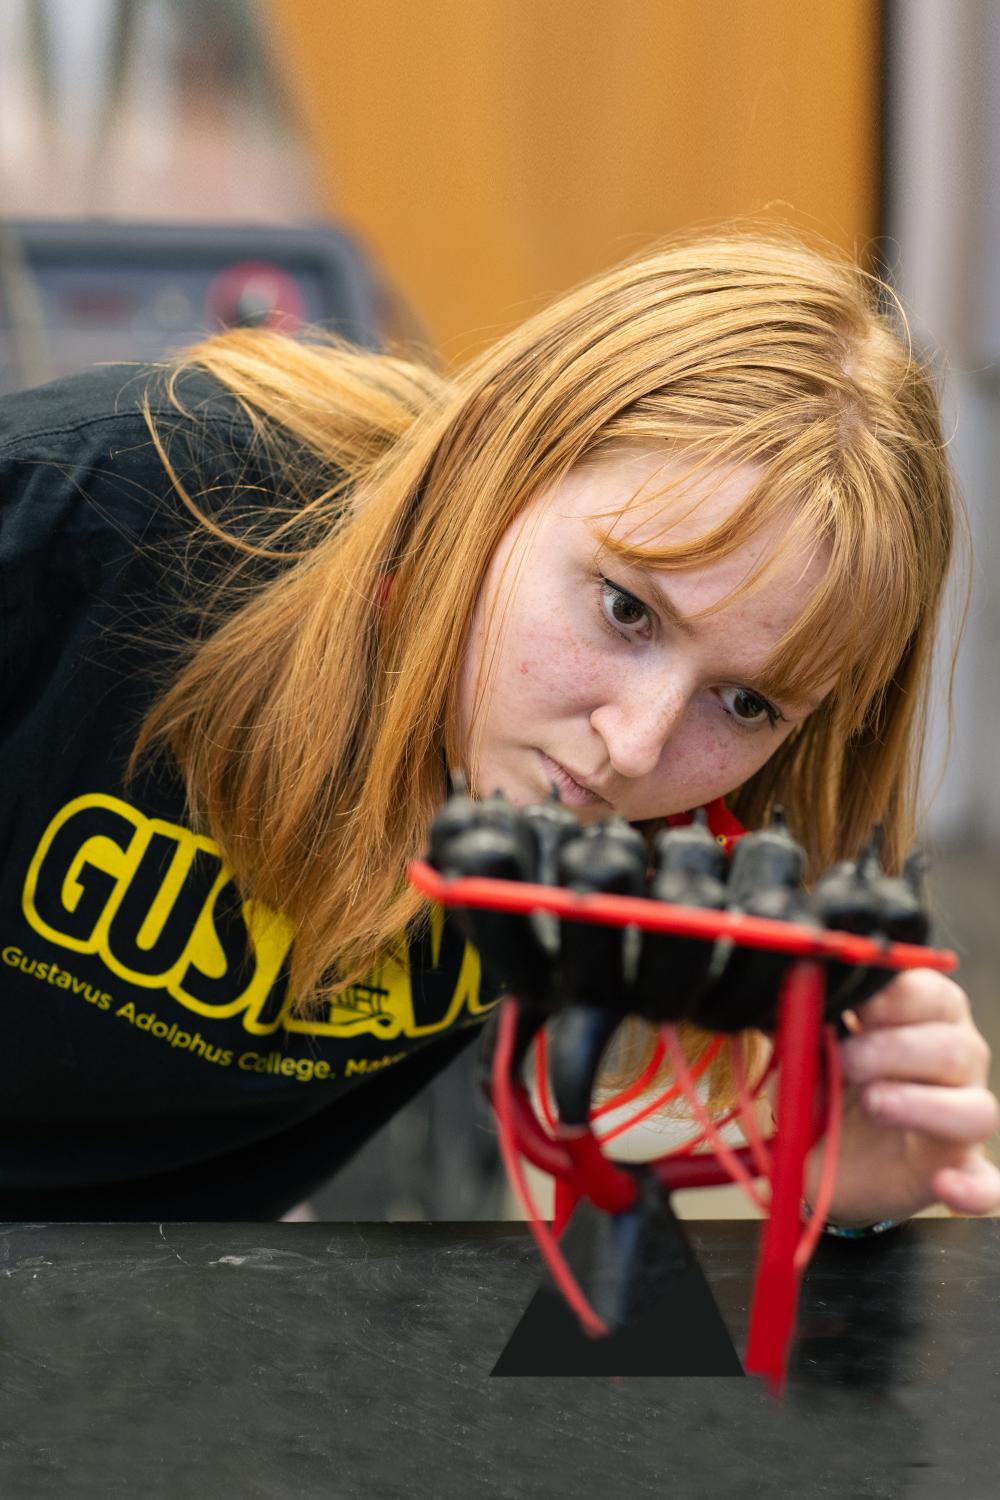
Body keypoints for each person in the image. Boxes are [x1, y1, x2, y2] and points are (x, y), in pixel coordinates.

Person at [1, 227, 996, 1226]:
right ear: (493, 458)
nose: (636, 747)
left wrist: (819, 1185)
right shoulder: (88, 510)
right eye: (625, 609)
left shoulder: (686, 823)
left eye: (747, 703)